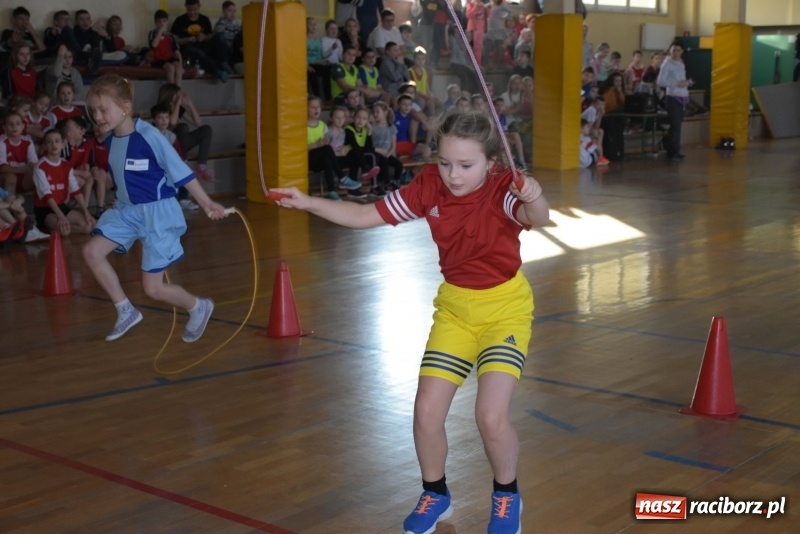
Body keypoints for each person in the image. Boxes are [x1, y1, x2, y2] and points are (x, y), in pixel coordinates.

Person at [270, 111, 549, 534]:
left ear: (491, 162)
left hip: (505, 310)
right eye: (444, 162)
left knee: (491, 416)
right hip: (455, 309)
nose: (453, 175)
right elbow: (367, 216)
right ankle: (435, 494)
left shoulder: (501, 189)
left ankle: (507, 495)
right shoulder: (429, 187)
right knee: (425, 411)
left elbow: (538, 218)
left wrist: (533, 195)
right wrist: (308, 202)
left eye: (465, 165)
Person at [82, 74, 228, 342]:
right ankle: (125, 310)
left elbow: (180, 171)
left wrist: (206, 203)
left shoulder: (149, 135)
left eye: (103, 109)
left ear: (125, 106)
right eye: (94, 110)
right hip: (127, 211)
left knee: (153, 289)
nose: (98, 116)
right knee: (92, 252)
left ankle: (198, 306)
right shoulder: (110, 140)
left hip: (157, 215)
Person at [32, 128, 95, 236]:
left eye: (57, 141)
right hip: (45, 209)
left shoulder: (66, 165)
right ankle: (45, 226)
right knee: (64, 231)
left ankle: (64, 227)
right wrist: (61, 216)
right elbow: (47, 196)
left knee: (88, 226)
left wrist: (86, 212)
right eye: (49, 142)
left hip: (61, 206)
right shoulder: (40, 167)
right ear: (45, 145)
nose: (53, 144)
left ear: (63, 144)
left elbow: (76, 191)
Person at [157, 83, 215, 183]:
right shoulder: (162, 108)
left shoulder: (179, 109)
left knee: (206, 129)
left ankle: (201, 165)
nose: (179, 96)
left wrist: (190, 104)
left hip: (181, 143)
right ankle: (183, 161)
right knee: (182, 127)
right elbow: (173, 122)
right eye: (177, 94)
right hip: (169, 143)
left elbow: (198, 123)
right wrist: (178, 104)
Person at [306, 95, 359, 200]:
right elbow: (299, 149)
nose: (316, 109)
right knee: (327, 149)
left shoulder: (322, 125)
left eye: (318, 107)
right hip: (308, 159)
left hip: (319, 160)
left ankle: (332, 191)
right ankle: (342, 178)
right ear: (306, 108)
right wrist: (317, 145)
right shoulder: (303, 126)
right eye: (313, 107)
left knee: (327, 160)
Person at [151, 102, 199, 211]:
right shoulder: (149, 135)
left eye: (166, 117)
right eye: (160, 118)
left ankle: (183, 199)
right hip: (155, 167)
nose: (164, 121)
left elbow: (179, 155)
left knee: (185, 166)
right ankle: (174, 201)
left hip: (168, 166)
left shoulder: (172, 136)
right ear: (154, 120)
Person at [171, 0, 231, 82]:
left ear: (199, 7)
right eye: (189, 10)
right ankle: (217, 71)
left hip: (204, 45)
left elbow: (210, 35)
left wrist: (204, 37)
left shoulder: (204, 19)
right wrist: (189, 39)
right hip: (188, 48)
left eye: (194, 10)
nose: (192, 12)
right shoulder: (180, 20)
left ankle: (224, 63)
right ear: (186, 7)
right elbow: (173, 40)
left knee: (219, 37)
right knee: (197, 52)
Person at [657, 41, 691, 162]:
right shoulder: (667, 64)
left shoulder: (681, 63)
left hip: (683, 96)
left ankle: (673, 150)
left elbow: (680, 79)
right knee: (675, 125)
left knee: (677, 126)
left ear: (681, 52)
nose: (675, 53)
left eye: (678, 50)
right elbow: (660, 81)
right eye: (673, 50)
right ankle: (673, 152)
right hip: (672, 97)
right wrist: (675, 84)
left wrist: (686, 83)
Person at [0, 110, 37, 201]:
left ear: (23, 126)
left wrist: (31, 167)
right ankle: (10, 204)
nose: (14, 127)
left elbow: (34, 163)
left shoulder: (28, 141)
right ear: (4, 127)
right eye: (10, 124)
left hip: (23, 177)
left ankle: (37, 207)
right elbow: (1, 168)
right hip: (5, 179)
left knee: (38, 173)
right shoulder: (2, 141)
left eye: (17, 124)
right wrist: (20, 169)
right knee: (11, 177)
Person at [149, 10, 184, 87]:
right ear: (155, 23)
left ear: (167, 22)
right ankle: (171, 88)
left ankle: (177, 89)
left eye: (164, 21)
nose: (162, 24)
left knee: (178, 66)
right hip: (158, 59)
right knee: (170, 68)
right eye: (159, 22)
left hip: (169, 58)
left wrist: (181, 66)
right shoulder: (152, 33)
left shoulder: (170, 36)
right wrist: (160, 32)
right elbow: (154, 45)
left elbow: (177, 52)